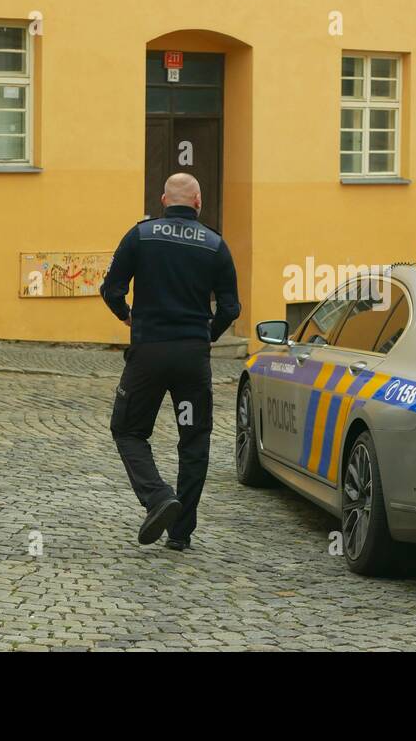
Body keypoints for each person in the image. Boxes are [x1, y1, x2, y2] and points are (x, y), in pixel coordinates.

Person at [100, 173, 240, 550]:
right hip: (192, 360)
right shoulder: (215, 245)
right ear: (198, 202)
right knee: (193, 439)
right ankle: (181, 534)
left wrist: (125, 314)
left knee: (128, 430)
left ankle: (158, 497)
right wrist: (207, 334)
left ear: (163, 200)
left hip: (148, 354)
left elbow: (110, 288)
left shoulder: (141, 235)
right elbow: (231, 307)